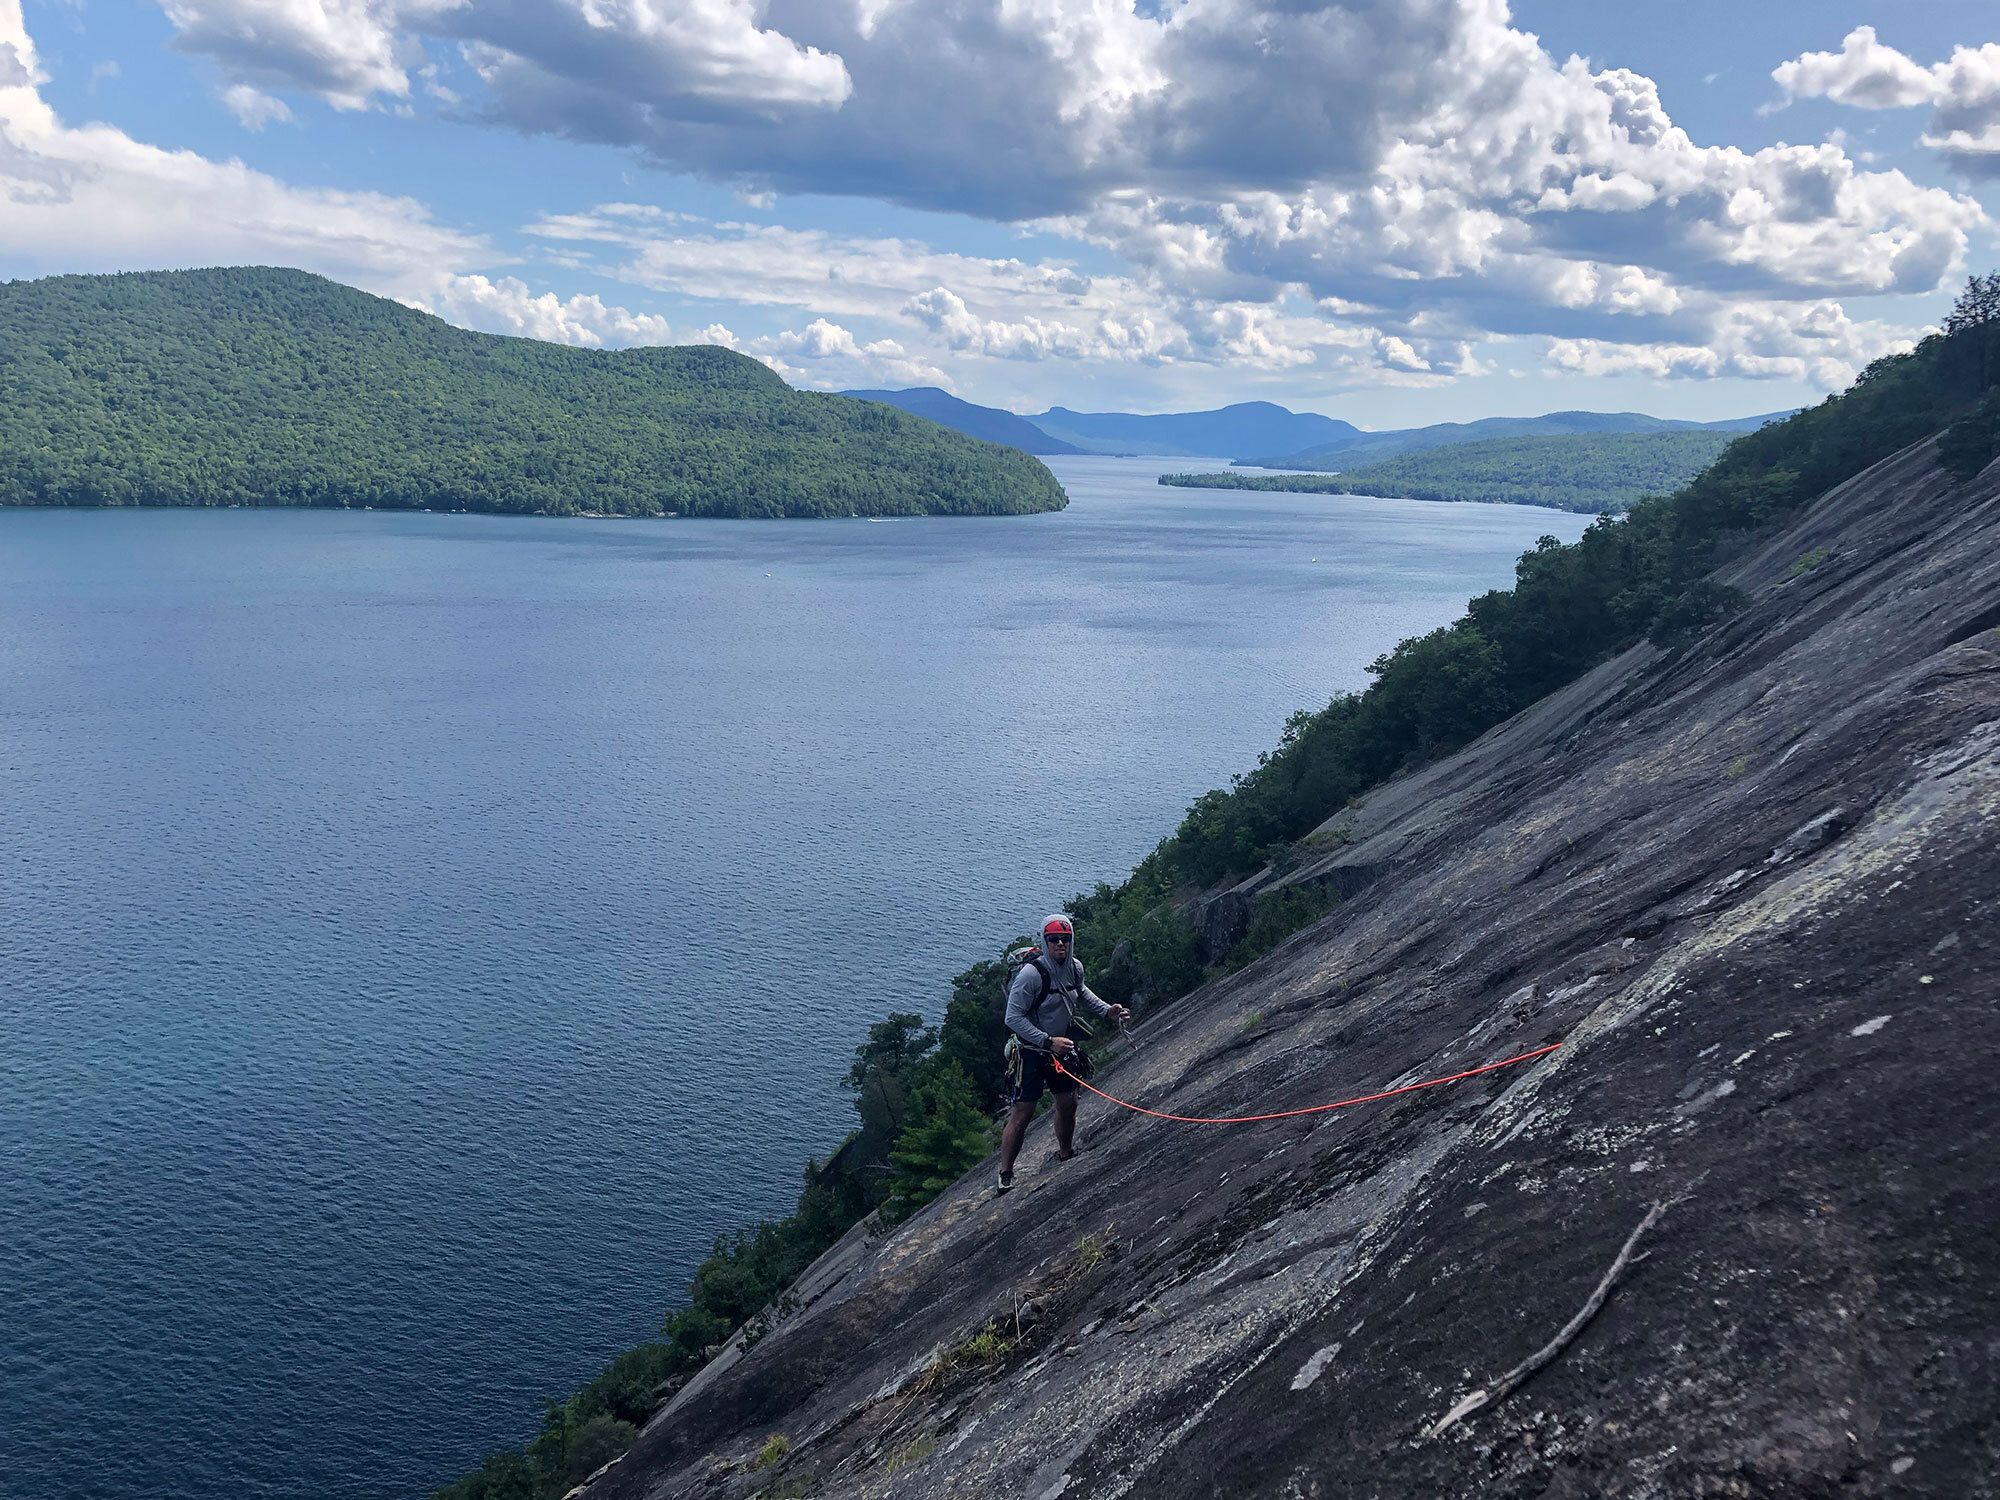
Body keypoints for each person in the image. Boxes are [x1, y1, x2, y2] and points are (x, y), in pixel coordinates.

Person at [996, 913, 1129, 1194]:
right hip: (1031, 1051)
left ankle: (1066, 1153)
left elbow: (1080, 992)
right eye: (1054, 939)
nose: (1060, 944)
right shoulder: (1031, 976)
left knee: (1068, 1103)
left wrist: (1107, 1011)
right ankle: (1005, 1173)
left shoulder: (1074, 968)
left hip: (1060, 1048)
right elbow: (1013, 1018)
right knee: (1023, 1112)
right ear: (1045, 942)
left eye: (1065, 939)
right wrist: (1047, 1041)